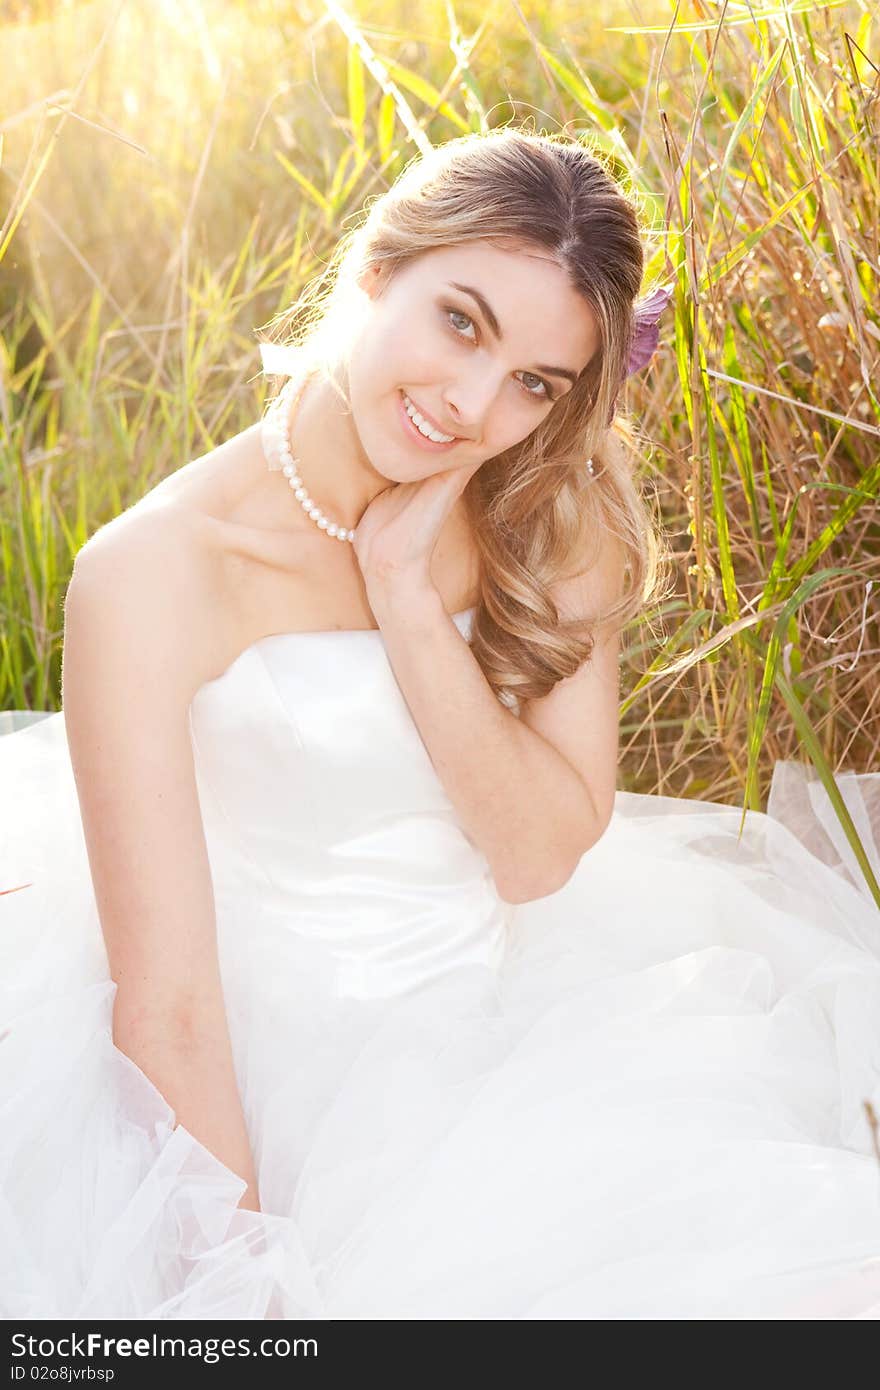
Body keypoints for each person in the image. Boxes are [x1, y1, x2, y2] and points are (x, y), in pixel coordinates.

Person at [2, 127, 879, 1321]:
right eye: (460, 321)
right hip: (245, 1047)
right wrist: (240, 1288)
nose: (471, 406)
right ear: (375, 269)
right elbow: (166, 1002)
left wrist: (409, 603)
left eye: (535, 382)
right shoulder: (154, 573)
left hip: (510, 1012)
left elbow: (535, 857)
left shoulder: (560, 516)